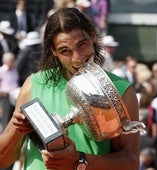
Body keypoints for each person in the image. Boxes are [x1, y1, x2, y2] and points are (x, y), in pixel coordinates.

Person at [0, 8, 140, 170]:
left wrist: (80, 161)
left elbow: (130, 162)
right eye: (65, 51)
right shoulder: (34, 84)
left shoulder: (121, 91)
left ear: (93, 36)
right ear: (54, 52)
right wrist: (16, 131)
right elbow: (3, 160)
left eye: (82, 44)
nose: (77, 57)